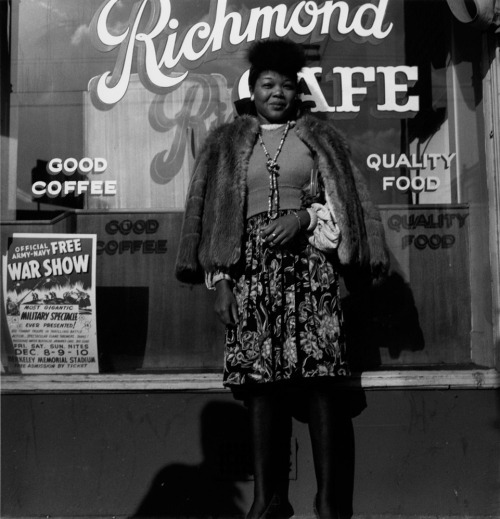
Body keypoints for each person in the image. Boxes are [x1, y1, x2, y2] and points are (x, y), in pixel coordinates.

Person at [176, 39, 389, 519]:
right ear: (251, 89)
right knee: (260, 388)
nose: (277, 92)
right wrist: (221, 281)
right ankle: (266, 500)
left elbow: (347, 207)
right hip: (250, 274)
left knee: (323, 385)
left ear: (298, 92)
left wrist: (305, 219)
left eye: (287, 85)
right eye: (267, 84)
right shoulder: (226, 142)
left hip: (311, 274)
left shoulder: (322, 140)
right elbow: (213, 216)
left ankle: (330, 502)